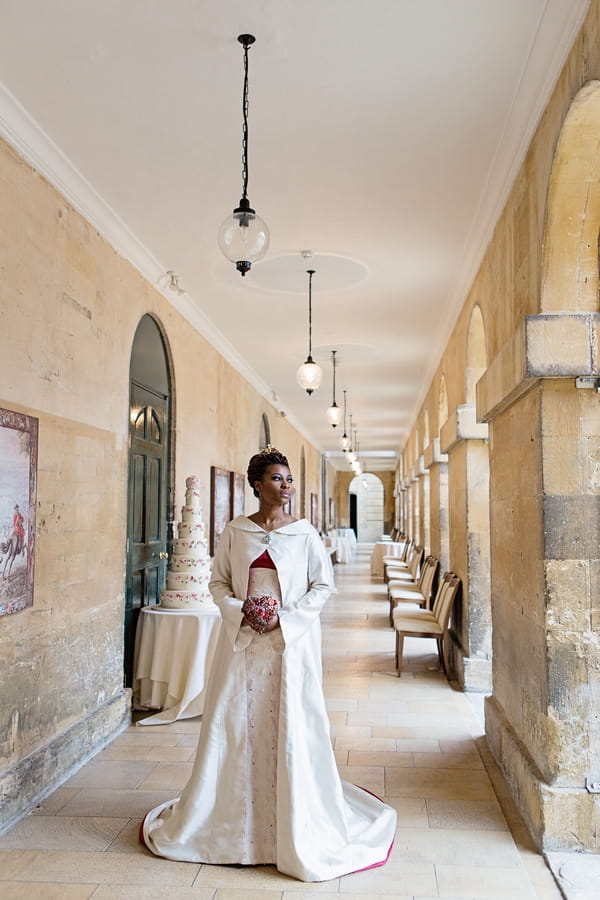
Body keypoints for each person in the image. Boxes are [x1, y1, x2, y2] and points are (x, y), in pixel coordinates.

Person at [140, 448, 396, 881]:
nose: (286, 487)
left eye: (289, 479)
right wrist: (242, 610)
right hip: (241, 646)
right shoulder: (235, 532)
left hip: (287, 647)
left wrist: (284, 617)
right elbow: (217, 581)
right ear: (256, 485)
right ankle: (231, 823)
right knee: (236, 724)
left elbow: (322, 585)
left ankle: (290, 821)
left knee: (289, 723)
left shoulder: (305, 534)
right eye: (278, 479)